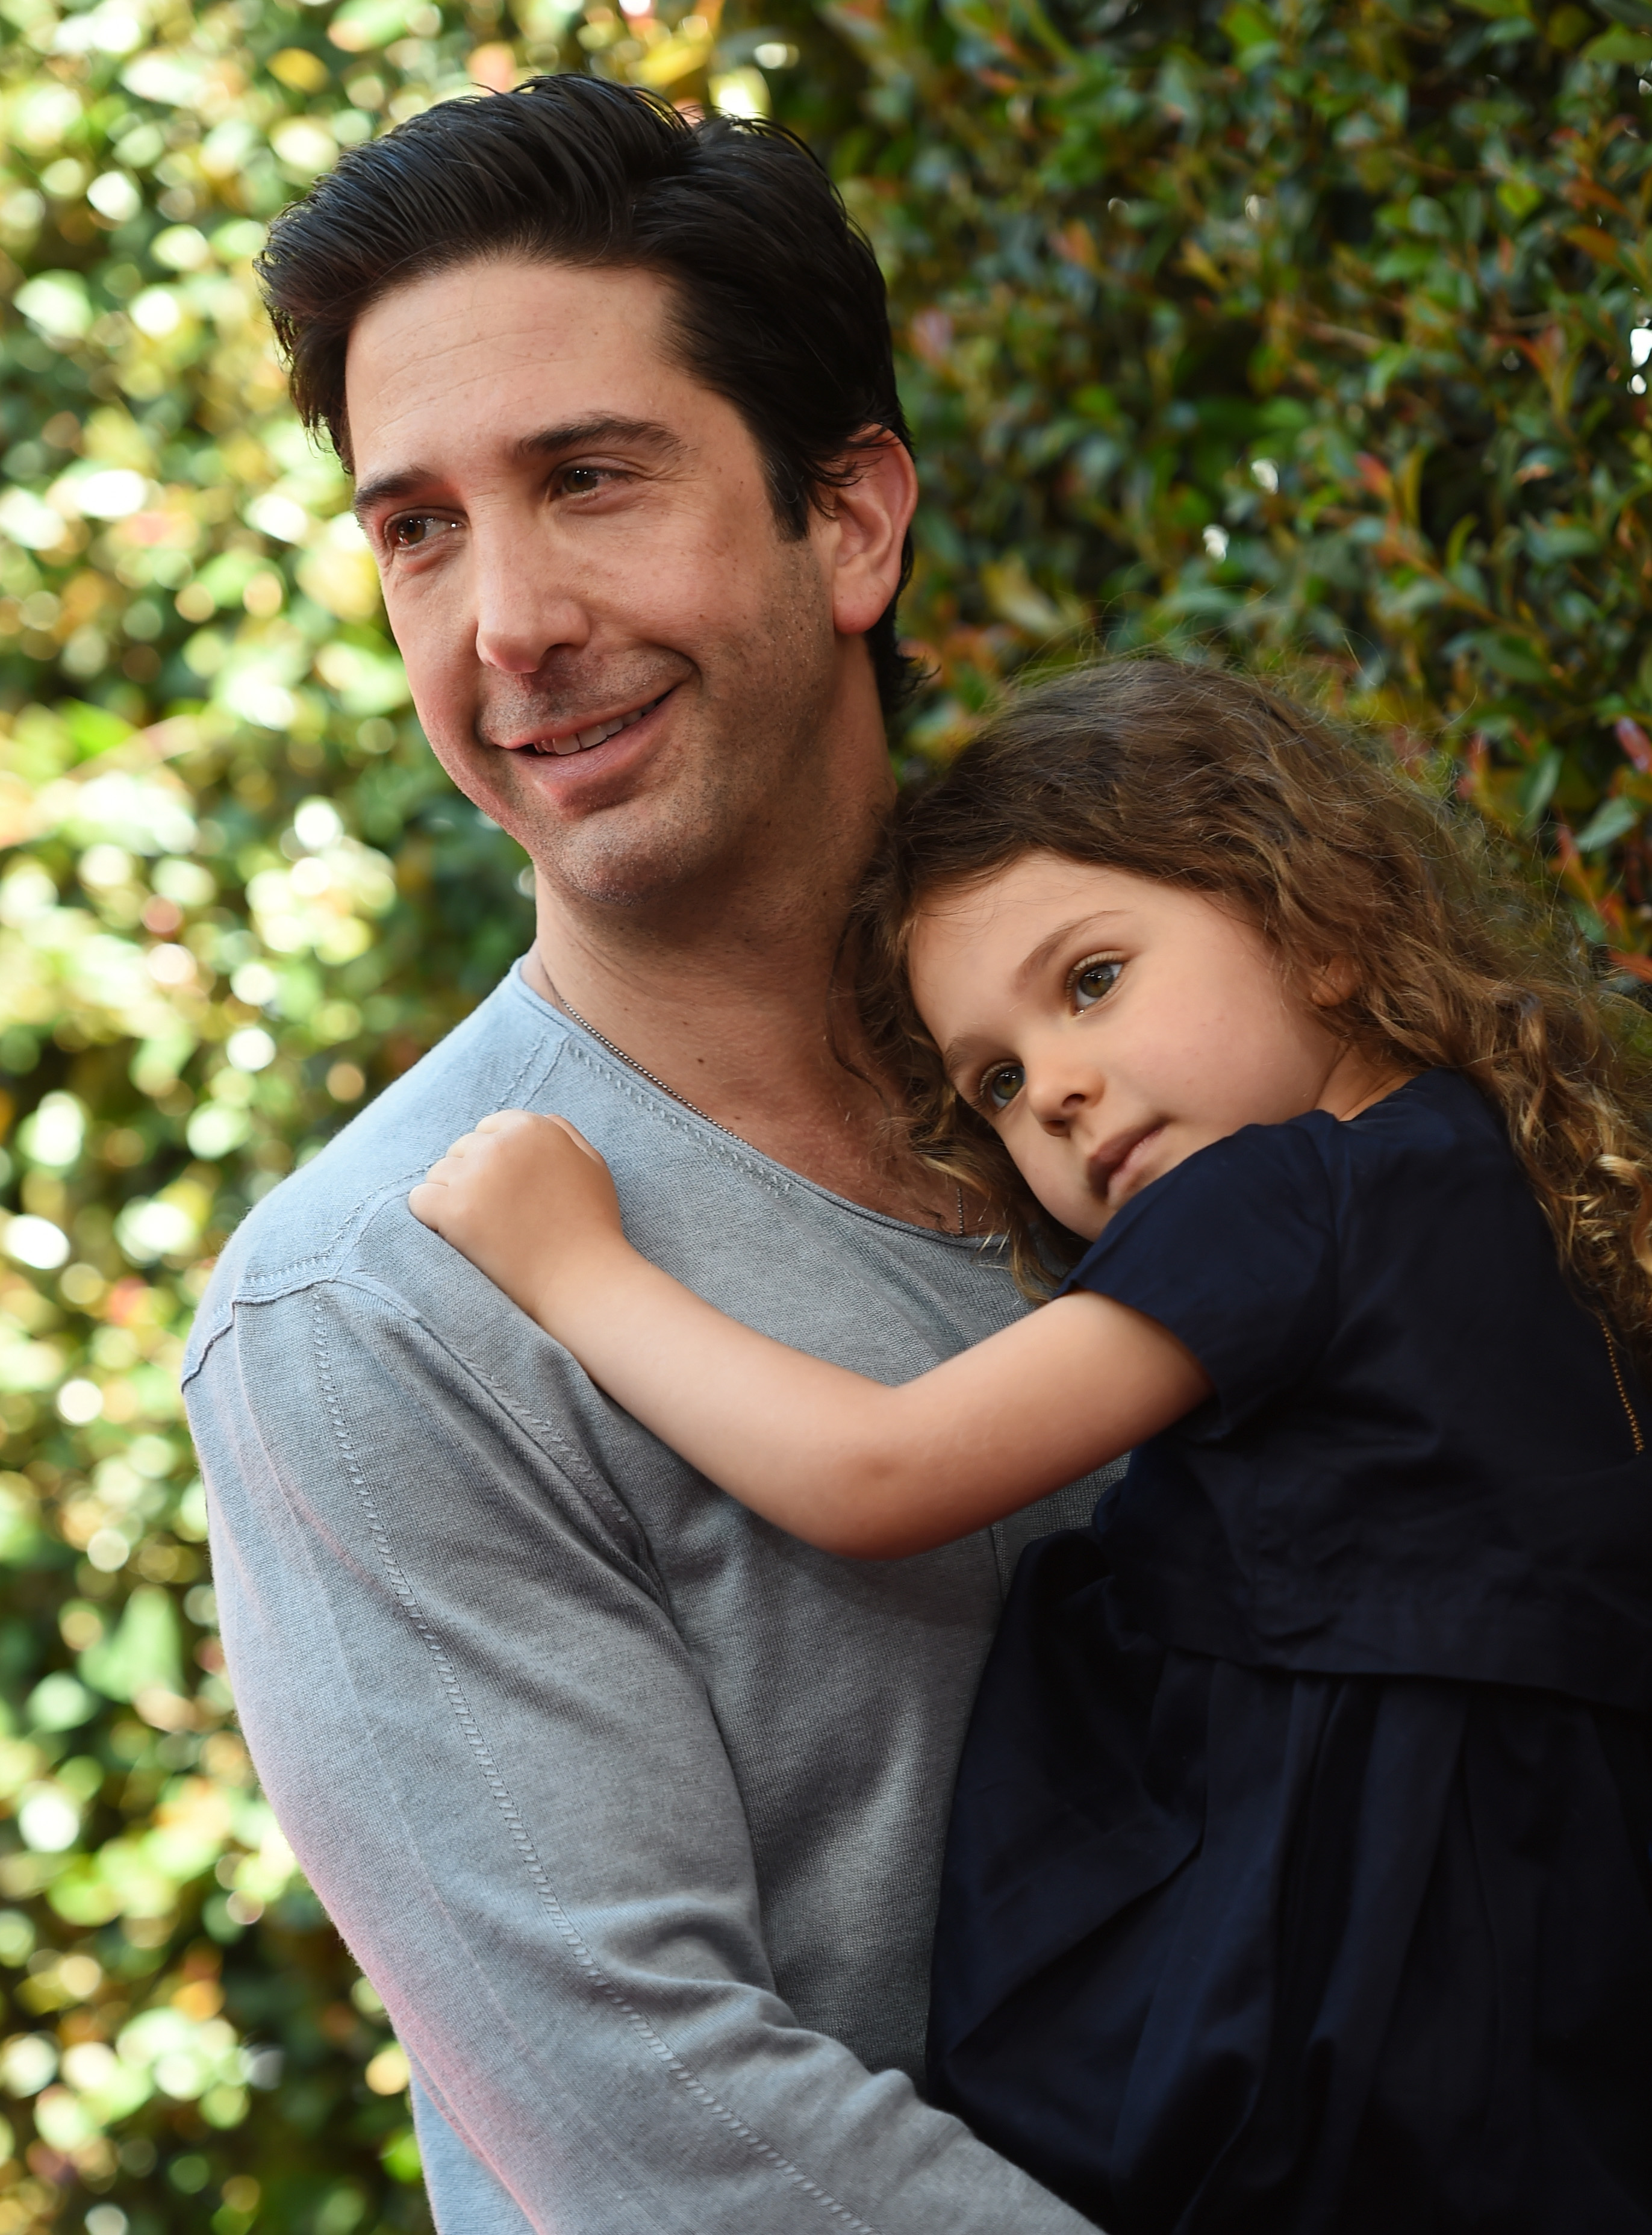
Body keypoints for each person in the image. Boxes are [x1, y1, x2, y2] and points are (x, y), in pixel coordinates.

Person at [182, 75, 1111, 2235]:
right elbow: (660, 2134)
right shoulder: (377, 1310)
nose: (503, 622)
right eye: (417, 528)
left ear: (853, 519)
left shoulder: (1166, 1074)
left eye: (588, 481)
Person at [411, 657, 1652, 2234]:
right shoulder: (1492, 1171)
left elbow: (882, 1473)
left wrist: (570, 1267)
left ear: (1319, 927)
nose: (1054, 1088)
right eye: (992, 1081)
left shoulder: (1281, 1200)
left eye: (1093, 981)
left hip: (1362, 1996)